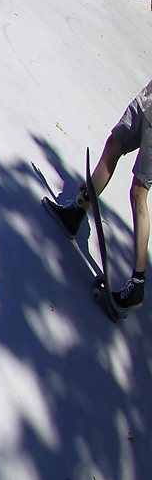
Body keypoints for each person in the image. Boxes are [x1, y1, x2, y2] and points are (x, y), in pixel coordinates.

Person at [46, 81, 152, 312]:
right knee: (114, 144)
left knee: (138, 193)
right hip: (148, 102)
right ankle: (77, 212)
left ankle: (137, 284)